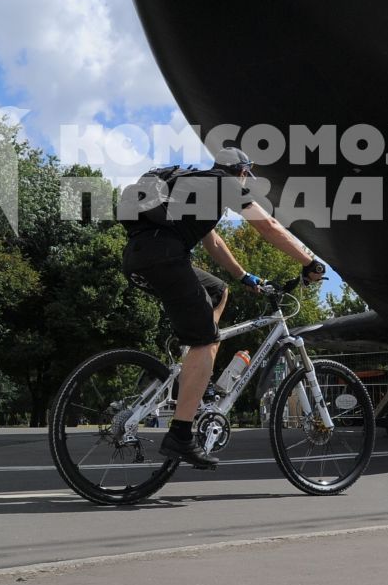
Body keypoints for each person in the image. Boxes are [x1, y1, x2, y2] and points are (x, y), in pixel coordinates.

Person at [120, 147, 326, 470]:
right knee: (206, 337)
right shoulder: (224, 184)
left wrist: (245, 277)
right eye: (246, 176)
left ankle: (195, 365)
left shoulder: (196, 186)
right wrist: (308, 261)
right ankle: (181, 434)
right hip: (165, 258)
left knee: (218, 292)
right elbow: (267, 225)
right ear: (241, 173)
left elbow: (212, 241)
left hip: (139, 255)